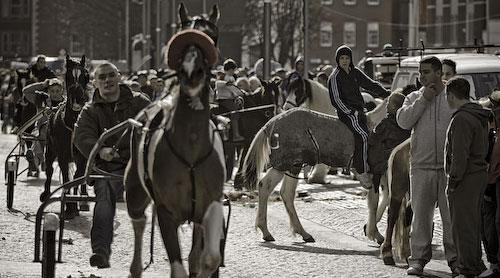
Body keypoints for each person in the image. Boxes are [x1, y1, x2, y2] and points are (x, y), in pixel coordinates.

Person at [74, 62, 150, 268]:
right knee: (104, 199)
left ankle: (178, 257)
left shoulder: (140, 103)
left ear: (118, 77)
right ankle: (100, 251)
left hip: (141, 166)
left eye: (110, 76)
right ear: (95, 82)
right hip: (108, 169)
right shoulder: (90, 110)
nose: (107, 80)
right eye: (102, 77)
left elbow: (157, 126)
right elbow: (81, 136)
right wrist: (100, 150)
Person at [396, 56, 458, 276]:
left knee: (451, 219)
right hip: (421, 167)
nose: (421, 76)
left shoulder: (452, 97)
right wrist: (424, 99)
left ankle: (455, 260)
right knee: (421, 218)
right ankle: (418, 260)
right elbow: (403, 121)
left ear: (439, 73)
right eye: (420, 72)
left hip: (448, 169)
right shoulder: (414, 97)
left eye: (426, 72)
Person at [327, 44, 390, 188]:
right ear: (337, 59)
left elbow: (370, 84)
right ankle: (361, 170)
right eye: (341, 58)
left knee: (372, 133)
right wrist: (352, 112)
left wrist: (386, 93)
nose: (344, 61)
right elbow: (336, 100)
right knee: (363, 134)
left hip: (359, 110)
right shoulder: (335, 77)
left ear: (350, 59)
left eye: (347, 58)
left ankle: (371, 164)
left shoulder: (355, 72)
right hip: (346, 113)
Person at [444, 77, 490, 277]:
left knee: (462, 227)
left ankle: (469, 268)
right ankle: (474, 265)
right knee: (472, 224)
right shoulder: (478, 115)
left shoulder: (461, 118)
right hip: (478, 175)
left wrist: (453, 182)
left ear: (451, 96)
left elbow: (459, 155)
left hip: (465, 179)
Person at [367, 91, 410, 190]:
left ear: (394, 107)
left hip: (383, 161)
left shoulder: (385, 124)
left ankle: (373, 186)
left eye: (388, 103)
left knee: (374, 171)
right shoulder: (406, 124)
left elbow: (373, 139)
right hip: (401, 160)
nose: (386, 106)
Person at [22, 78, 65, 176]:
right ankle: (38, 160)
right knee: (37, 138)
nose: (55, 93)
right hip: (40, 128)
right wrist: (42, 84)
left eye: (57, 91)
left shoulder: (65, 103)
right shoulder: (41, 98)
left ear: (62, 90)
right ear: (48, 91)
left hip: (58, 132)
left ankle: (37, 160)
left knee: (43, 138)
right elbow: (25, 91)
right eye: (52, 91)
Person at [481, 90, 500, 277]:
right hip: (488, 183)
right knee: (487, 224)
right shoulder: (491, 133)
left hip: (495, 183)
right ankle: (493, 262)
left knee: (497, 222)